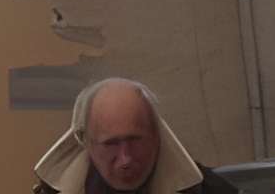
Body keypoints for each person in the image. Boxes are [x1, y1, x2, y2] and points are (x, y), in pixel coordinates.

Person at [34, 77, 239, 194]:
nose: (126, 159)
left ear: (156, 136)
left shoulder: (209, 191)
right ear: (85, 142)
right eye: (111, 144)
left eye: (135, 141)